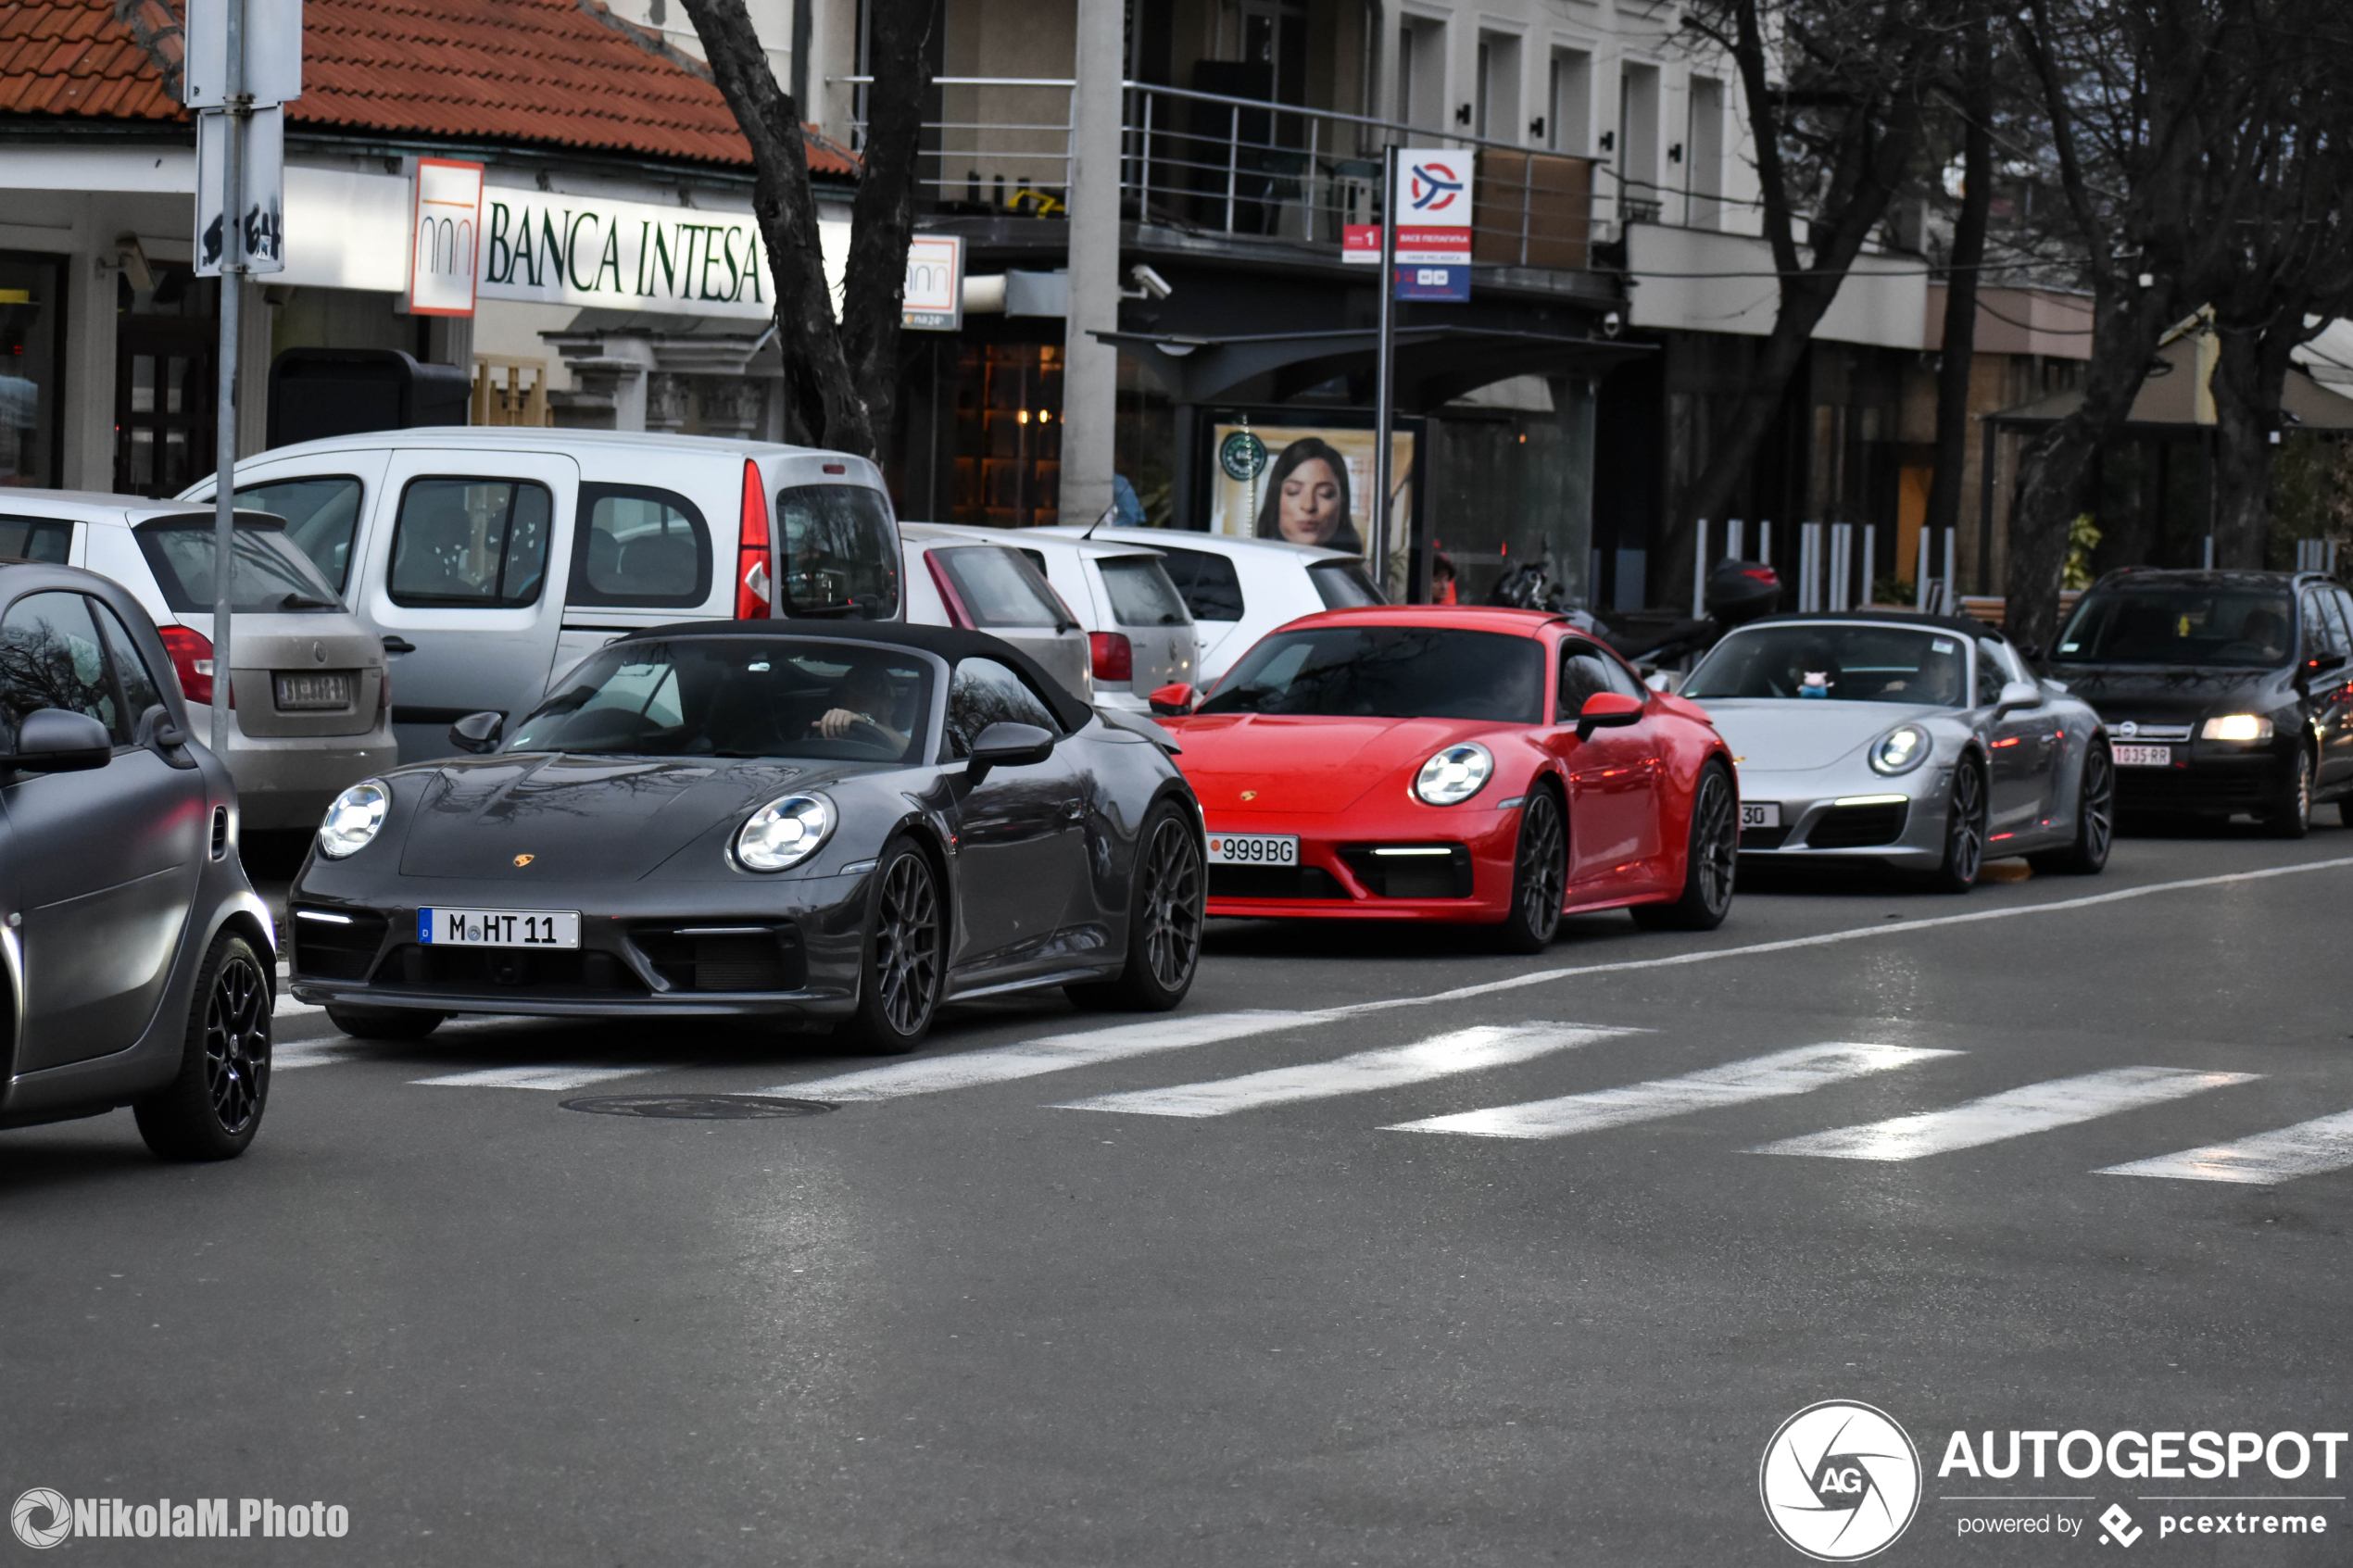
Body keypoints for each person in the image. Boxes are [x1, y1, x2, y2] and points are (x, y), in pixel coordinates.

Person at [1253, 437, 1362, 551]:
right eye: (1293, 492)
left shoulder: (1360, 568)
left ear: (1342, 502)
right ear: (1276, 500)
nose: (1309, 506)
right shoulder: (1251, 565)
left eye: (1325, 494)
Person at [812, 659, 911, 752]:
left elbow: (915, 751)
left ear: (889, 707)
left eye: (859, 700)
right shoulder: (842, 740)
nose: (848, 704)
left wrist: (865, 721)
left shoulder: (913, 737)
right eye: (845, 698)